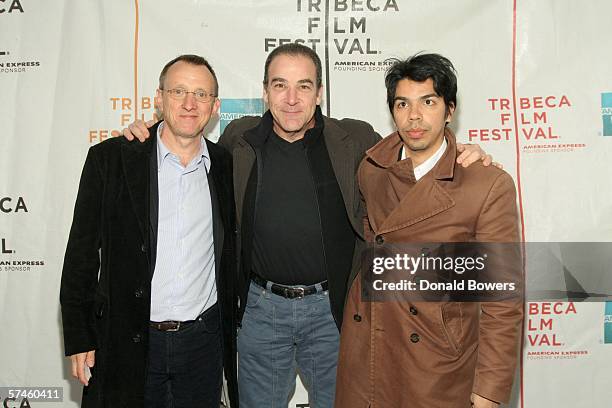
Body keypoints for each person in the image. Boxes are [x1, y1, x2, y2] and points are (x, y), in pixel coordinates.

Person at [123, 44, 492, 408]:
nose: (292, 99)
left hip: (332, 313)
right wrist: (148, 135)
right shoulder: (240, 140)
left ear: (319, 93)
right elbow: (185, 140)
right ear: (265, 92)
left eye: (304, 86)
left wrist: (461, 155)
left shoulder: (355, 139)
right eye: (280, 85)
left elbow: (415, 157)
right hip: (260, 310)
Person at [334, 53, 523, 408]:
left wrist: (489, 391)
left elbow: (502, 302)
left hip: (435, 362)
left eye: (429, 102)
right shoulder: (372, 169)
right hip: (368, 353)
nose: (414, 116)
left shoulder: (486, 185)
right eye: (403, 103)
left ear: (450, 110)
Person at [60, 54, 238, 408]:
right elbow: (80, 254)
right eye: (179, 91)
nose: (190, 104)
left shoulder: (225, 164)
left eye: (201, 94)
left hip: (202, 343)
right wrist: (80, 337)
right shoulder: (111, 160)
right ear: (159, 98)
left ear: (215, 106)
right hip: (130, 339)